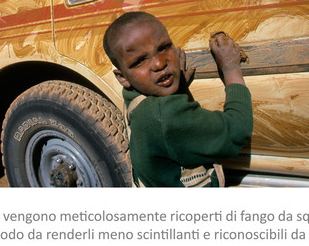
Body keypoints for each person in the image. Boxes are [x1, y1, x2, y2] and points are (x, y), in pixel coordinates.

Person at [103, 11, 253, 187]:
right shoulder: (165, 116)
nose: (160, 63)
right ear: (123, 78)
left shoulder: (136, 98)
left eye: (164, 48)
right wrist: (230, 69)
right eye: (140, 61)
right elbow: (236, 132)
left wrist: (179, 89)